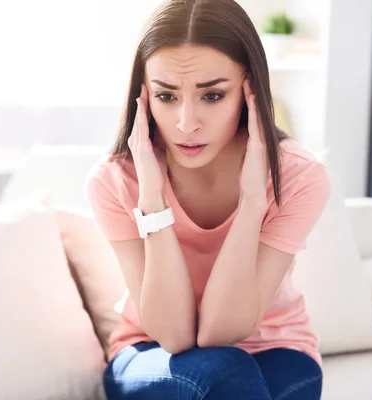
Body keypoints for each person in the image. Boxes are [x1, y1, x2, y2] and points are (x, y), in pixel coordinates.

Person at [85, 0, 331, 398]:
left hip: (275, 349)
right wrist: (152, 200)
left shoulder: (298, 176)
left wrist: (253, 202)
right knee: (220, 372)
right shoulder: (116, 181)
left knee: (229, 369)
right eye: (166, 97)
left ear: (249, 89)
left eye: (212, 96)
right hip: (150, 350)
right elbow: (174, 335)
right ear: (143, 96)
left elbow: (221, 330)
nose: (186, 123)